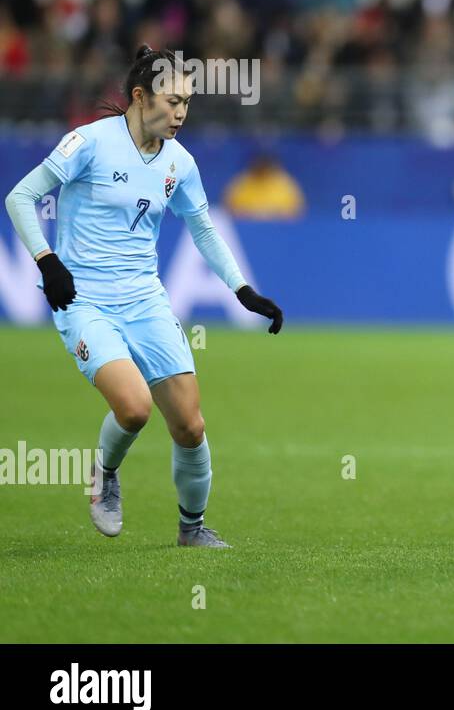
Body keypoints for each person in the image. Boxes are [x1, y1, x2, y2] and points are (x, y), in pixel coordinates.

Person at [3, 45, 284, 548]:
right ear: (139, 96)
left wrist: (242, 289)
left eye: (187, 103)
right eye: (172, 100)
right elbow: (20, 196)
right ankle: (104, 474)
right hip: (84, 301)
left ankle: (192, 530)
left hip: (146, 301)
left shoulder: (179, 162)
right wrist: (47, 260)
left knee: (191, 427)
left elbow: (203, 230)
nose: (180, 113)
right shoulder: (87, 142)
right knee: (134, 409)